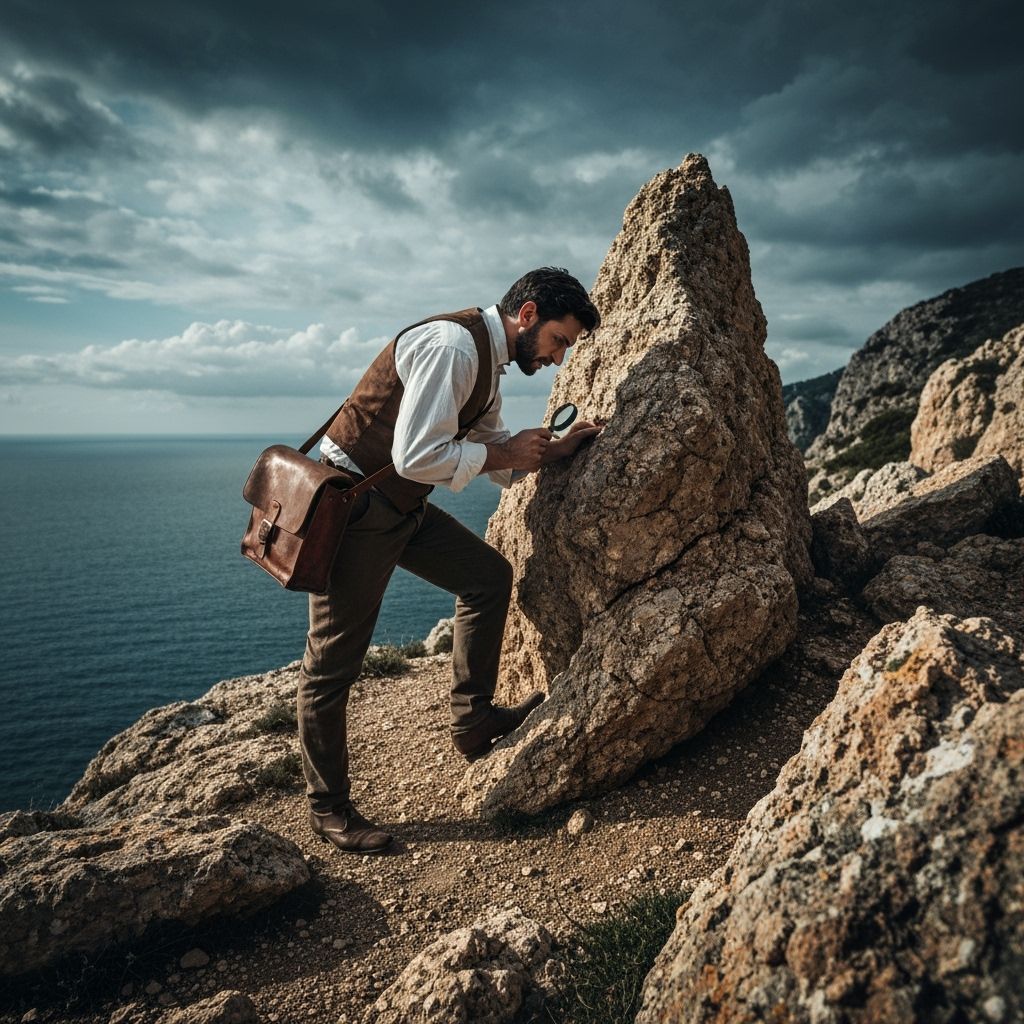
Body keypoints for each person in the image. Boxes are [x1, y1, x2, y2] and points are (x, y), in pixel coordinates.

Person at [298, 267, 602, 854]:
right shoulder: (453, 348)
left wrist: (556, 452)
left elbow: (493, 456)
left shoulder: (488, 365)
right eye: (560, 341)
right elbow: (418, 455)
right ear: (529, 314)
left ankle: (473, 720)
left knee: (488, 578)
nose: (561, 358)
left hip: (400, 503)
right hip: (358, 508)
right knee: (332, 665)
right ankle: (329, 809)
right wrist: (502, 450)